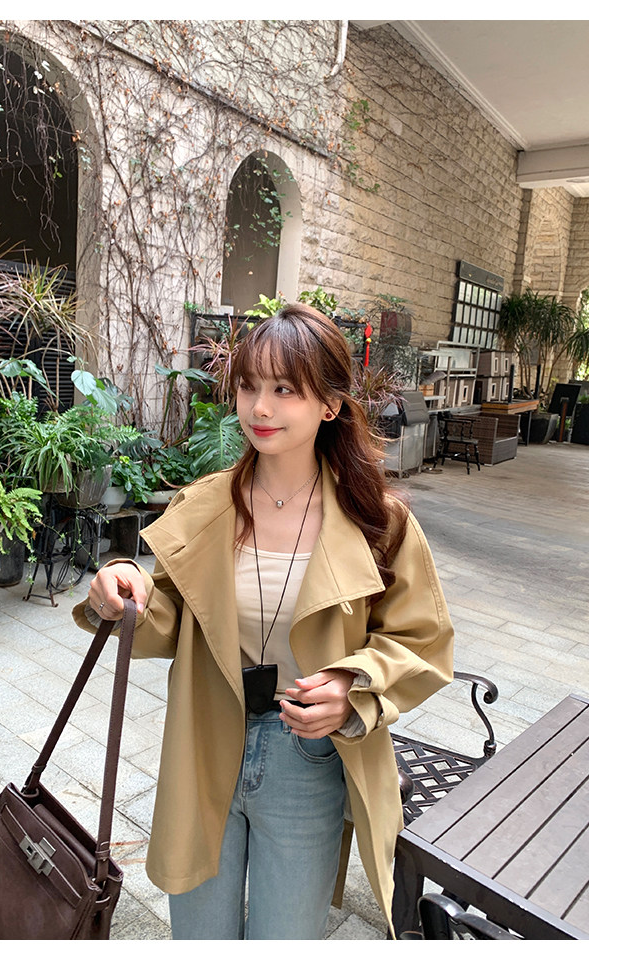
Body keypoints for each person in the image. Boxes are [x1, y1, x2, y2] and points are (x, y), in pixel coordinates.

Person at [73, 303, 454, 940]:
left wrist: (352, 684)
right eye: (249, 386)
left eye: (284, 390)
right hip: (204, 739)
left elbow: (423, 641)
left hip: (307, 755)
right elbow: (171, 617)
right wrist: (122, 592)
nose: (259, 407)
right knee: (199, 935)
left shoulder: (377, 521)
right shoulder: (206, 504)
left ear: (330, 404)